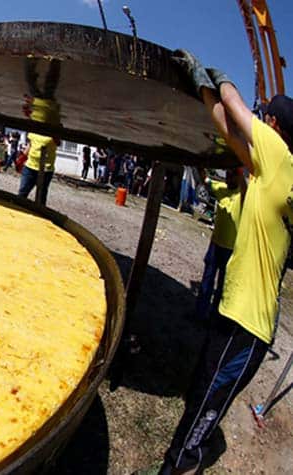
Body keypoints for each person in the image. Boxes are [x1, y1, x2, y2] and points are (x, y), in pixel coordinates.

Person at [150, 50, 293, 475]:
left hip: (247, 324)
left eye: (265, 120)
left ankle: (179, 465)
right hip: (241, 313)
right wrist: (200, 89)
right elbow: (229, 128)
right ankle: (189, 450)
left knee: (207, 400)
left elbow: (234, 108)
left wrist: (214, 73)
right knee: (203, 388)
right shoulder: (276, 176)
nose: (260, 123)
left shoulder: (282, 156)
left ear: (275, 127)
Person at [194, 168, 245, 320]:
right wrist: (199, 164)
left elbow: (246, 189)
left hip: (231, 250)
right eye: (228, 175)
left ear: (238, 177)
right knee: (207, 279)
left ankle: (215, 315)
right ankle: (200, 314)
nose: (228, 178)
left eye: (232, 176)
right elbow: (205, 180)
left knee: (222, 287)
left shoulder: (242, 195)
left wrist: (240, 170)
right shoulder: (220, 187)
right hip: (215, 245)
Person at [18, 133, 60, 205]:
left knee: (41, 197)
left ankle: (39, 213)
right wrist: (22, 158)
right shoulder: (34, 129)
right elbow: (30, 144)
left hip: (45, 169)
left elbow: (58, 143)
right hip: (30, 167)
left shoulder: (52, 130)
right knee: (22, 192)